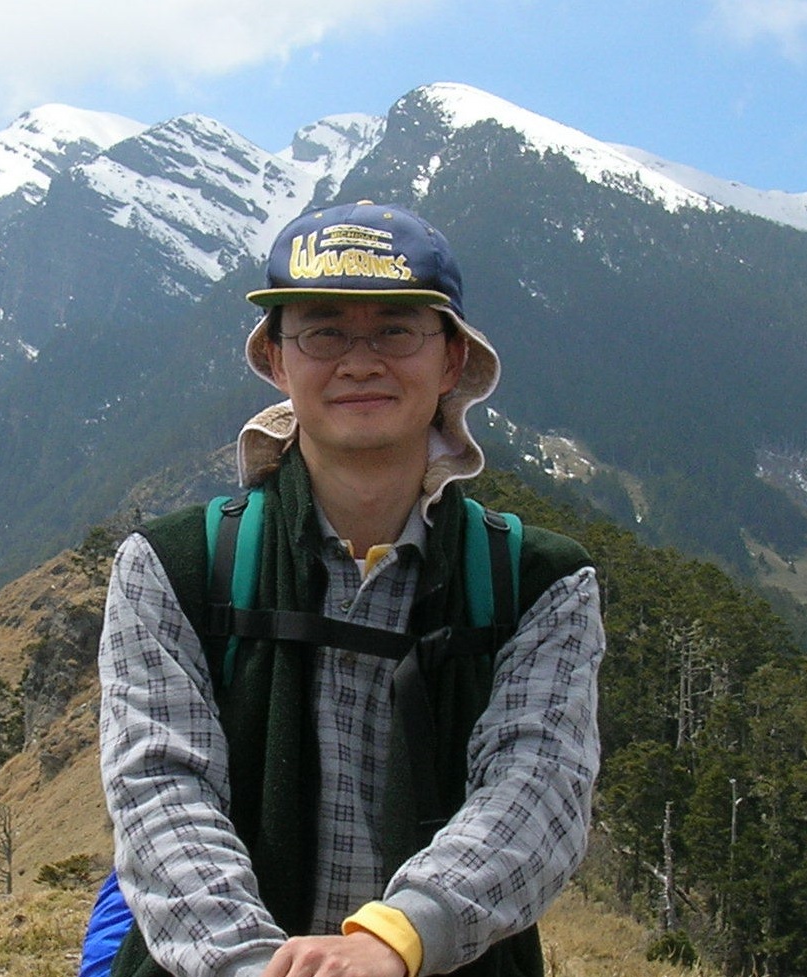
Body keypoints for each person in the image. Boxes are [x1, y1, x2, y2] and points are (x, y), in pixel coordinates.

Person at [98, 201, 604, 977]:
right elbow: (160, 787)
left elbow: (537, 788)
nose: (360, 362)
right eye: (324, 331)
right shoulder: (171, 566)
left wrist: (392, 941)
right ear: (275, 359)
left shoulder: (539, 582)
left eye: (396, 329)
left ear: (452, 360)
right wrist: (253, 966)